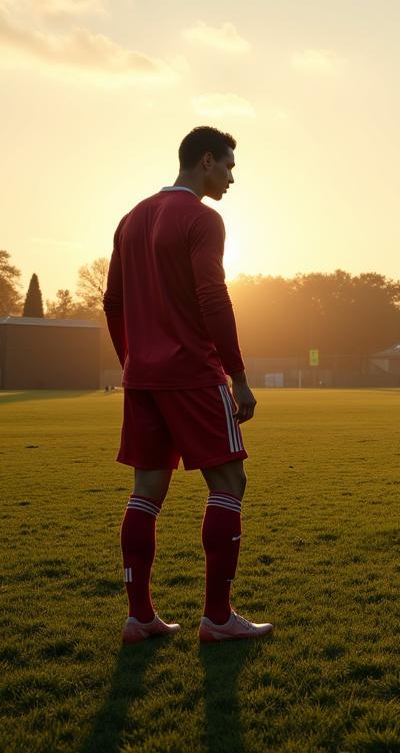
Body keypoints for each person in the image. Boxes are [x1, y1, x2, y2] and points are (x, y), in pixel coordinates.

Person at [103, 125, 272, 644]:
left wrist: (132, 361)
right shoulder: (202, 218)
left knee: (146, 492)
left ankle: (140, 617)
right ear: (205, 161)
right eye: (228, 167)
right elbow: (213, 298)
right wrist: (238, 377)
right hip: (194, 375)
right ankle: (218, 619)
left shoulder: (131, 219)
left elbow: (112, 302)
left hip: (144, 379)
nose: (230, 179)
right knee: (229, 484)